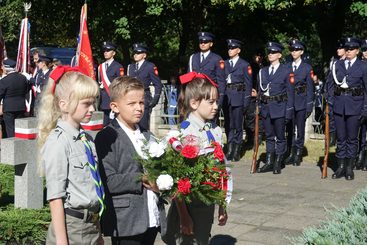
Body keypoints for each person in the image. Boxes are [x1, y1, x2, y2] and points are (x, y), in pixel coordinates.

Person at [95, 76, 166, 245]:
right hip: (126, 222)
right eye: (132, 103)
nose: (139, 108)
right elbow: (109, 181)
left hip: (151, 217)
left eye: (141, 103)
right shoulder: (108, 136)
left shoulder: (148, 136)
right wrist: (140, 178)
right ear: (115, 107)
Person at [38, 66, 103, 244]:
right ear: (64, 104)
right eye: (86, 104)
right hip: (72, 227)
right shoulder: (59, 142)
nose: (92, 109)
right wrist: (61, 240)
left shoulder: (87, 139)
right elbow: (55, 197)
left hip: (92, 224)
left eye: (93, 102)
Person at [164, 72, 228, 245]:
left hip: (207, 202)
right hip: (189, 204)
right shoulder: (185, 133)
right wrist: (184, 216)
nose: (216, 106)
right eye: (211, 102)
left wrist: (222, 204)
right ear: (194, 103)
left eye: (217, 101)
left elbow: (221, 169)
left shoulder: (214, 130)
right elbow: (178, 178)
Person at [330, 37, 367, 180]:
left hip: (355, 106)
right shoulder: (337, 65)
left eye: (352, 49)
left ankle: (349, 168)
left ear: (357, 51)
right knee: (341, 138)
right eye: (347, 49)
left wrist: (365, 109)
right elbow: (331, 86)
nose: (349, 51)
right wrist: (332, 104)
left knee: (352, 138)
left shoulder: (363, 66)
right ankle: (340, 167)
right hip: (339, 106)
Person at [257, 41, 295, 174]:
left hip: (279, 107)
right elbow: (260, 92)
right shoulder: (263, 71)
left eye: (273, 52)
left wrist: (289, 112)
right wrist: (258, 107)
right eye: (269, 52)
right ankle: (269, 161)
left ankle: (278, 161)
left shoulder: (286, 71)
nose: (270, 54)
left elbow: (290, 93)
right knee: (269, 136)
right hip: (266, 108)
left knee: (280, 136)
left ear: (279, 55)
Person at [284, 40, 314, 166]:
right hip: (289, 102)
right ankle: (290, 152)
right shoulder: (286, 66)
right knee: (289, 129)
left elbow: (310, 88)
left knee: (300, 129)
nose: (294, 52)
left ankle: (298, 154)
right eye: (292, 50)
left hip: (301, 100)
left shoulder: (307, 68)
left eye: (296, 50)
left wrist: (309, 105)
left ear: (301, 52)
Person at [223, 39, 252, 162]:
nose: (230, 50)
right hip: (227, 98)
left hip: (238, 98)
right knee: (228, 124)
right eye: (229, 48)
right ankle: (229, 148)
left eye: (233, 48)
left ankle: (236, 150)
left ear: (238, 50)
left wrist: (246, 101)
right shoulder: (224, 64)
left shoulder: (244, 65)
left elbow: (248, 84)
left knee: (238, 125)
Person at [127, 43, 163, 130]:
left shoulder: (150, 66)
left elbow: (158, 84)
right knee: (131, 126)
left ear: (144, 55)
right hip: (131, 99)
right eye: (134, 53)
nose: (135, 55)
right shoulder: (130, 67)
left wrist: (155, 99)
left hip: (144, 98)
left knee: (143, 126)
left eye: (138, 53)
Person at [188, 32, 226, 108]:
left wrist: (220, 100)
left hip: (210, 96)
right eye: (201, 42)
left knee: (210, 119)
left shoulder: (217, 59)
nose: (203, 44)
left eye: (205, 42)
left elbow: (221, 81)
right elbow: (189, 78)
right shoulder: (193, 57)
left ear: (211, 44)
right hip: (195, 95)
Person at [98, 41, 124, 126]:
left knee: (113, 124)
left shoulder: (118, 67)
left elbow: (120, 84)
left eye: (108, 51)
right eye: (104, 51)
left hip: (112, 98)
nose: (105, 52)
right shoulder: (100, 66)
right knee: (104, 124)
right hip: (102, 99)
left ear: (113, 53)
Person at [0, 59, 28, 138]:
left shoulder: (4, 81)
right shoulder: (23, 78)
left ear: (7, 68)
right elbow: (26, 90)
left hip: (9, 109)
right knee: (20, 129)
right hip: (21, 107)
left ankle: (12, 149)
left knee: (10, 130)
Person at [356, 39, 367, 170]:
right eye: (364, 50)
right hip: (361, 103)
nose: (366, 52)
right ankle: (360, 157)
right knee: (361, 132)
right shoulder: (358, 65)